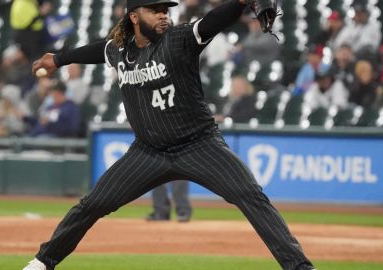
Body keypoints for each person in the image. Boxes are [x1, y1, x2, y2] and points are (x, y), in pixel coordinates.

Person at [24, 1, 315, 270]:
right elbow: (97, 50)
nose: (164, 14)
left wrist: (239, 3)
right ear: (134, 17)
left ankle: (300, 267)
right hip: (148, 152)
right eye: (155, 10)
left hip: (200, 145)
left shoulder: (180, 39)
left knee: (250, 195)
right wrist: (59, 59)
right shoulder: (120, 52)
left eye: (165, 9)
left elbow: (212, 21)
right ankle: (41, 263)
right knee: (92, 205)